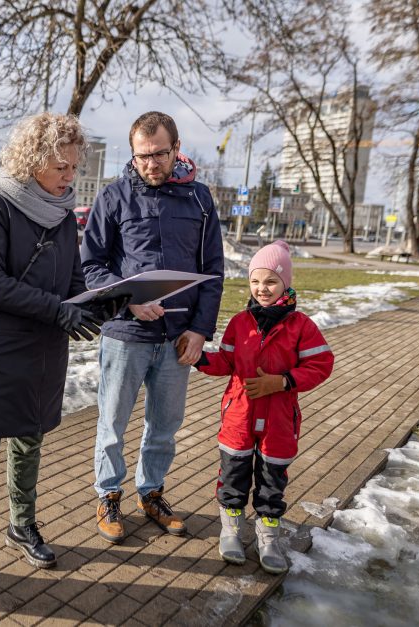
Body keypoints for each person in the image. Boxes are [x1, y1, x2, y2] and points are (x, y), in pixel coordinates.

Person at [0, 112, 125, 607]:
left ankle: (21, 526)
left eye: (73, 167)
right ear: (34, 158)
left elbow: (71, 280)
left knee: (29, 444)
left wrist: (98, 301)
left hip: (43, 352)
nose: (70, 177)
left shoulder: (63, 212)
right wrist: (57, 310)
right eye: (61, 167)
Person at [81, 111, 224, 544]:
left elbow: (213, 270)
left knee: (164, 426)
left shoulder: (199, 200)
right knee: (112, 424)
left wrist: (200, 330)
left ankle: (152, 493)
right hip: (126, 335)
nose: (150, 164)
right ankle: (108, 496)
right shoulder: (114, 198)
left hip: (179, 338)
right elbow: (91, 266)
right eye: (142, 156)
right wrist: (129, 300)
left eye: (159, 154)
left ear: (176, 149)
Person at [195, 240, 333, 573]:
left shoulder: (301, 326)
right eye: (255, 281)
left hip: (279, 420)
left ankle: (268, 537)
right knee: (233, 476)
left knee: (272, 482)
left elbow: (322, 364)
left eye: (270, 281)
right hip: (239, 416)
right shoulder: (240, 323)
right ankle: (230, 530)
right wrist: (198, 358)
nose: (262, 289)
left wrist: (283, 380)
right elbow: (226, 360)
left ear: (286, 282)